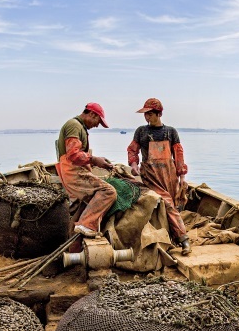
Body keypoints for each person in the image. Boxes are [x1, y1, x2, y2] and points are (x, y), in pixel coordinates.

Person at [126, 98, 191, 254]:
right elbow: (132, 150)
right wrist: (134, 165)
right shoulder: (141, 131)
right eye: (145, 114)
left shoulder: (171, 132)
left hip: (169, 177)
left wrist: (182, 178)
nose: (146, 117)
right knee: (168, 204)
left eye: (149, 114)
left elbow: (178, 155)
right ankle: (184, 240)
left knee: (173, 205)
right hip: (151, 176)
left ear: (158, 114)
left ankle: (170, 236)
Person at [55, 103, 116, 237]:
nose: (97, 125)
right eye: (98, 121)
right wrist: (94, 159)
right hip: (72, 173)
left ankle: (74, 241)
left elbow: (80, 157)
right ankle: (87, 224)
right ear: (92, 114)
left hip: (74, 171)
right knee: (109, 192)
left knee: (81, 209)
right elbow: (73, 155)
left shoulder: (79, 127)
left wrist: (97, 163)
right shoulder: (74, 125)